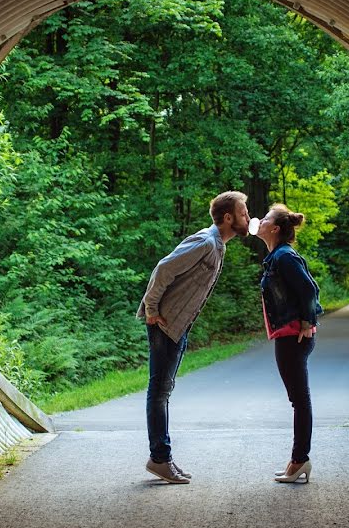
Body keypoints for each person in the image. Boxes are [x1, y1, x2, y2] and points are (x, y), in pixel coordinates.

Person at [137, 191, 250, 484]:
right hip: (163, 323)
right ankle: (160, 459)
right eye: (243, 213)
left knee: (164, 390)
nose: (248, 218)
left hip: (177, 325)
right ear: (228, 218)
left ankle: (163, 458)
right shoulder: (205, 242)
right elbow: (164, 268)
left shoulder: (218, 246)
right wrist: (151, 309)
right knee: (159, 392)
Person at [255, 203, 323, 484]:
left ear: (275, 228)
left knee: (300, 400)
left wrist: (307, 322)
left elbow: (309, 288)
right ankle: (297, 460)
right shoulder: (276, 257)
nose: (259, 220)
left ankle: (299, 460)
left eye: (266, 218)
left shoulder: (284, 257)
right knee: (298, 399)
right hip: (288, 335)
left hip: (294, 335)